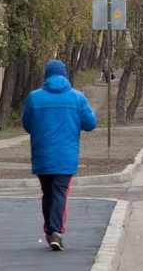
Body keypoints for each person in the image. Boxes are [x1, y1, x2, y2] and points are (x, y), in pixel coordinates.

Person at [22, 59, 97, 251]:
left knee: (47, 193)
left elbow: (27, 125)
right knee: (60, 193)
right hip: (66, 155)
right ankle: (56, 231)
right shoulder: (77, 98)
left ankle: (49, 231)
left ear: (45, 75)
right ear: (65, 75)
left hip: (42, 154)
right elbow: (90, 124)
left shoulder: (34, 97)